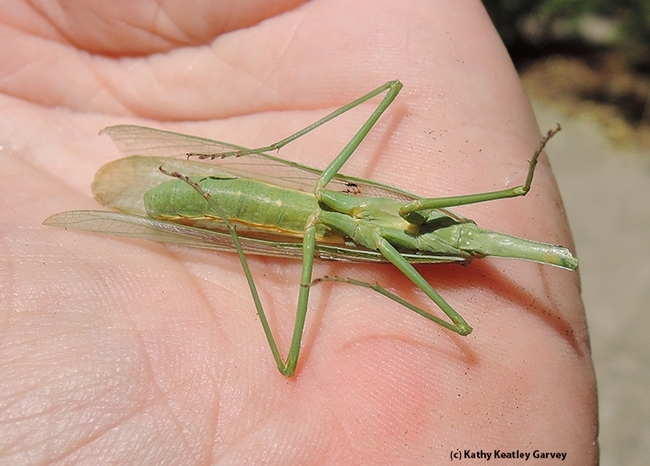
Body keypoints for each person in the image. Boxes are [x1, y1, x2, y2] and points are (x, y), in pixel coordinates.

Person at [0, 1, 597, 463]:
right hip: (290, 196)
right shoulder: (420, 215)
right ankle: (252, 184)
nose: (466, 240)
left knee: (293, 360)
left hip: (303, 229)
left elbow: (470, 291)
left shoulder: (402, 247)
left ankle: (234, 231)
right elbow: (511, 194)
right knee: (390, 98)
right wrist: (274, 154)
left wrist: (368, 280)